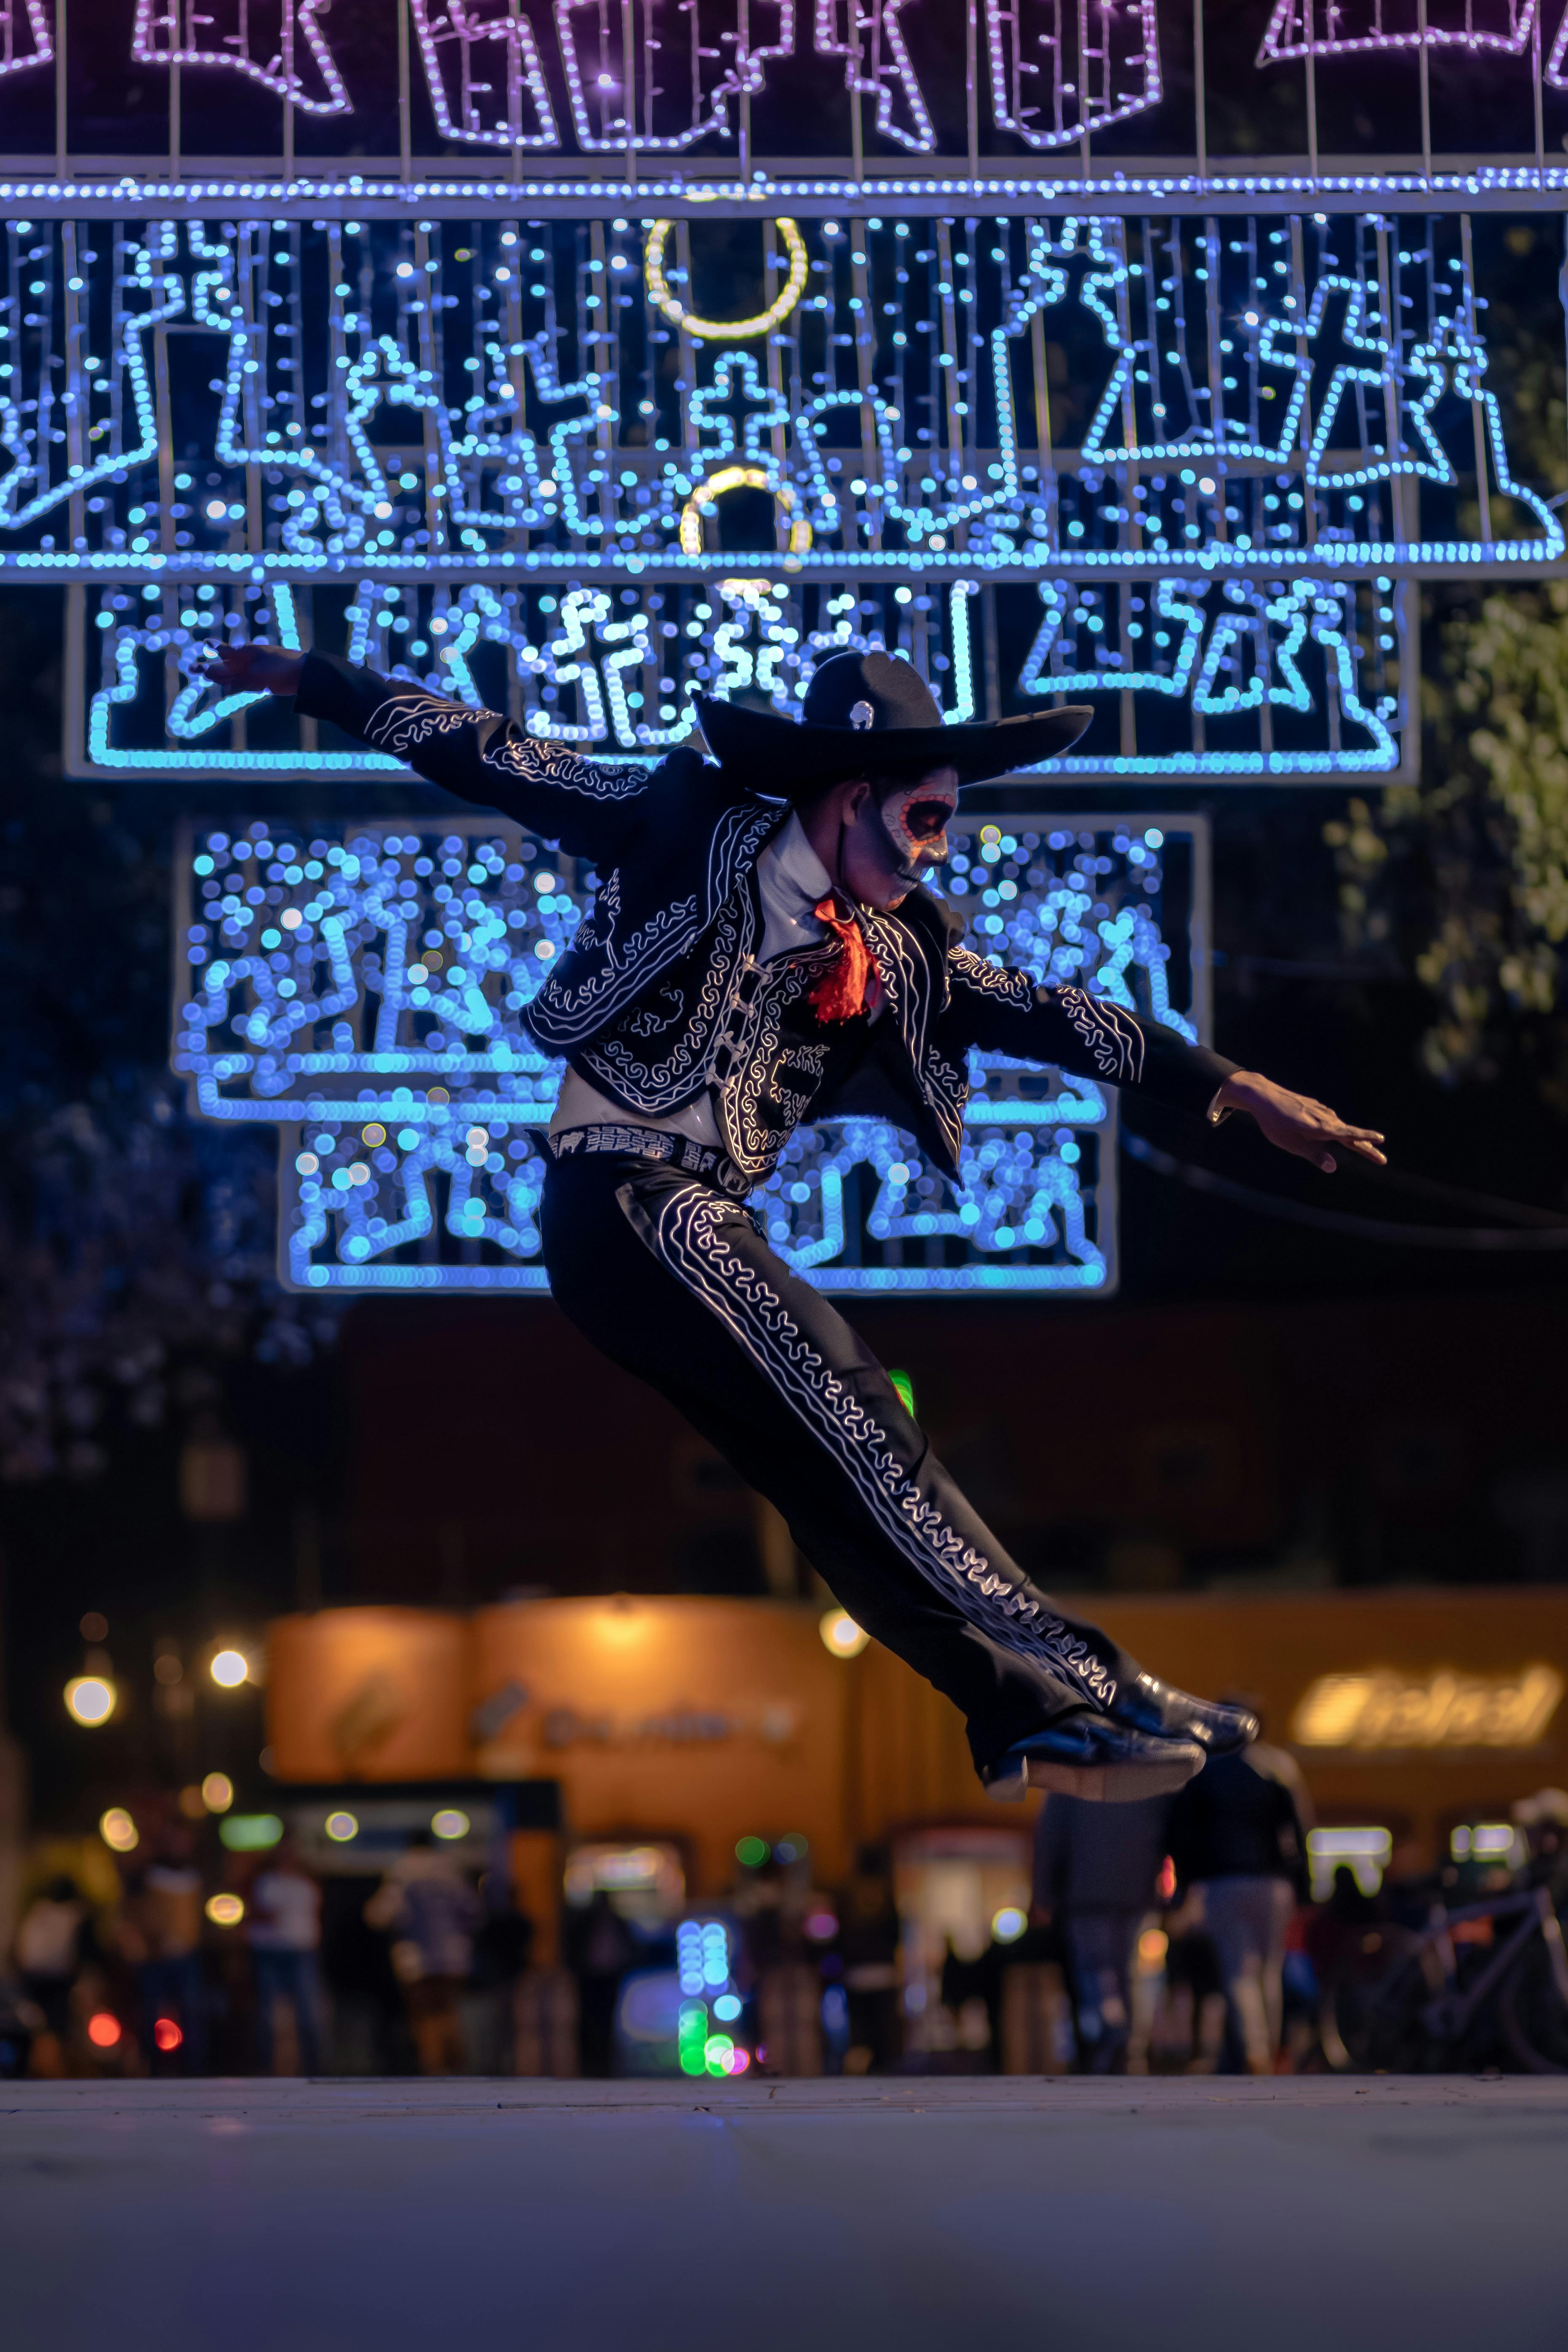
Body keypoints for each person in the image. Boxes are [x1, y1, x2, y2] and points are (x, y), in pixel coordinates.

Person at [211, 637, 1385, 1802]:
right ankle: (1096, 1677)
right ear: (849, 796)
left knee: (830, 1486)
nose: (936, 849)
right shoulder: (683, 817)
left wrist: (1236, 1089)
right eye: (923, 818)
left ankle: (1023, 1719)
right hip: (620, 1199)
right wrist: (320, 683)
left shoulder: (900, 949)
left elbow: (1055, 1014)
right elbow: (494, 756)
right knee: (857, 1404)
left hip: (683, 1225)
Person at [1166, 1725, 1311, 2074]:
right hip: (1272, 1880)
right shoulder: (1274, 1767)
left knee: (1239, 1969)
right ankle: (1272, 2049)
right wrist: (1304, 1884)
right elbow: (1297, 1828)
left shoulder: (1204, 1772)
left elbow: (1184, 1833)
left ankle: (1253, 2049)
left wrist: (1183, 1888)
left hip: (1224, 1880)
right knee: (1270, 1968)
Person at [1033, 1791, 1171, 2072]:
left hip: (1085, 1891)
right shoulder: (1146, 1768)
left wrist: (1044, 1893)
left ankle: (1109, 2033)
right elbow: (1166, 1831)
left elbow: (1051, 1836)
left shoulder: (1069, 1775)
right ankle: (1132, 2046)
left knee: (1094, 1970)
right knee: (1132, 1972)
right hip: (1137, 1889)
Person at [364, 1831, 482, 2075]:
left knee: (424, 2015)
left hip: (416, 1958)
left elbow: (378, 1916)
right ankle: (457, 2066)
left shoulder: (403, 1872)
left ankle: (434, 2068)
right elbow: (474, 1913)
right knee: (448, 2009)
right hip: (453, 1956)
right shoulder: (452, 1872)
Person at [118, 1822, 208, 2072]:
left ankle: (194, 2072)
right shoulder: (147, 1875)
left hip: (187, 1956)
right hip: (154, 1958)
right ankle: (152, 2069)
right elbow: (131, 1913)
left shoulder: (195, 1876)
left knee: (192, 2015)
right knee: (151, 2016)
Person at [247, 1835, 324, 2075]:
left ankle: (315, 2070)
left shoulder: (307, 1883)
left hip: (301, 1952)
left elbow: (316, 1915)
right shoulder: (264, 1881)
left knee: (309, 2015)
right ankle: (269, 2069)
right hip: (270, 1952)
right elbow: (251, 1913)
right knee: (270, 2018)